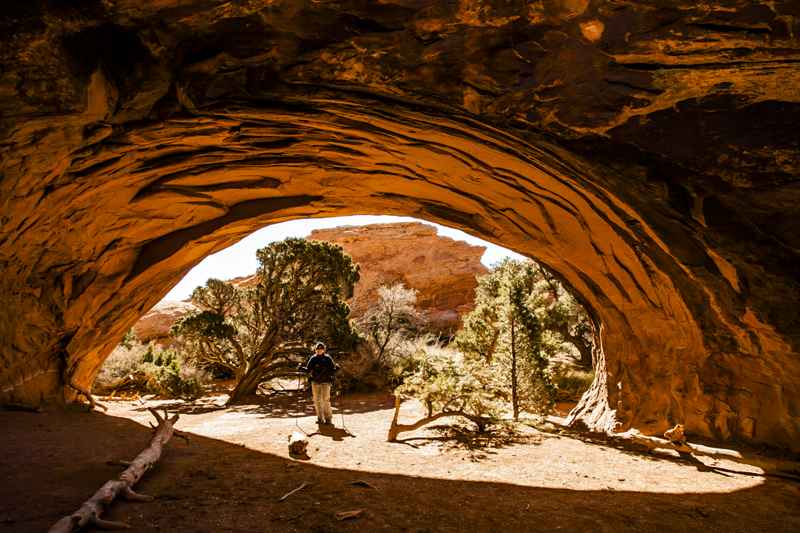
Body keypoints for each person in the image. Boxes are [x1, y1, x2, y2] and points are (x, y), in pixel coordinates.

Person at [299, 342, 339, 425]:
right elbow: (308, 369)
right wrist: (301, 368)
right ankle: (320, 418)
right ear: (315, 350)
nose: (319, 351)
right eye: (317, 349)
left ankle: (328, 419)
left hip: (326, 382)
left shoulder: (328, 358)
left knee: (325, 400)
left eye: (321, 349)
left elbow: (333, 369)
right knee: (317, 400)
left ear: (324, 350)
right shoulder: (313, 358)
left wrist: (337, 369)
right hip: (315, 382)